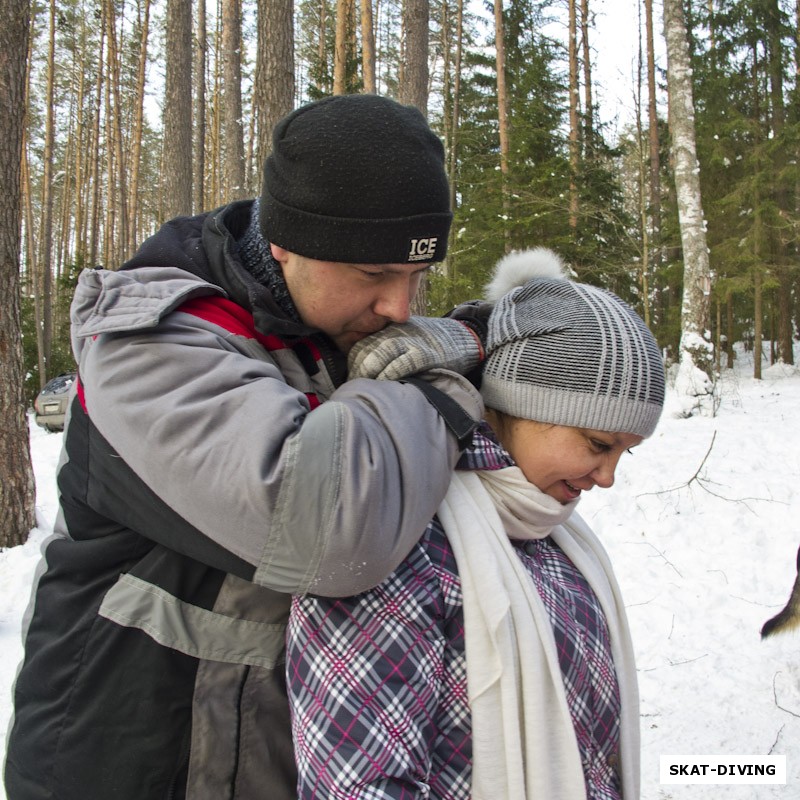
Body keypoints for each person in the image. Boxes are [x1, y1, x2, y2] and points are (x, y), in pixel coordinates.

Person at [4, 95, 488, 800]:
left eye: (417, 277)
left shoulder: (325, 329)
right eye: (375, 276)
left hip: (250, 762)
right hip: (126, 767)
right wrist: (442, 388)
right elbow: (330, 530)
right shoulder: (150, 345)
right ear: (285, 243)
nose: (400, 309)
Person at [287, 248, 666, 800]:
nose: (607, 477)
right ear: (520, 401)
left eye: (624, 453)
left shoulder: (549, 536)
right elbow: (360, 785)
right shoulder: (404, 541)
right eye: (598, 443)